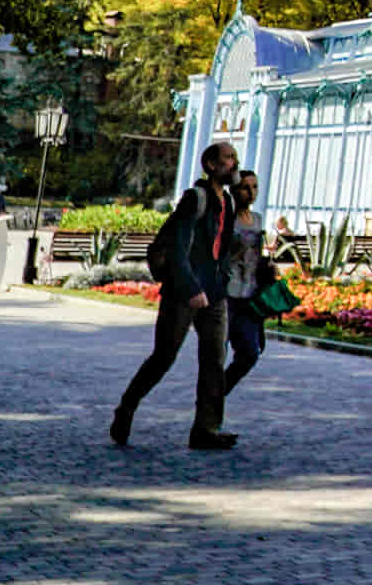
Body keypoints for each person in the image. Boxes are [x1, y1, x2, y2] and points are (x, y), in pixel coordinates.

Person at [112, 141, 240, 451]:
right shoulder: (194, 199)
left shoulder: (230, 203)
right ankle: (126, 408)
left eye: (234, 159)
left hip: (215, 294)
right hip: (184, 293)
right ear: (210, 164)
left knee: (214, 362)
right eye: (228, 159)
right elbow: (179, 249)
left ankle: (206, 430)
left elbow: (223, 249)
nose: (234, 164)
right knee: (164, 356)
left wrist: (221, 280)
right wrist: (191, 288)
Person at [222, 169, 276, 395]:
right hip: (226, 294)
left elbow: (256, 254)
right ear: (234, 190)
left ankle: (217, 393)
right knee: (215, 357)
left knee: (249, 353)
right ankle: (209, 416)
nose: (251, 192)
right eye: (245, 187)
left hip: (250, 295)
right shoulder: (225, 219)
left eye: (254, 187)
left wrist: (268, 266)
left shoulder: (257, 220)